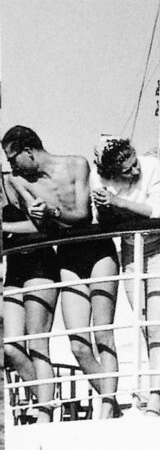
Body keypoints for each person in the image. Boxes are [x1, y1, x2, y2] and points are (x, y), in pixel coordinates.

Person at [2, 125, 121, 419]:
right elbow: (41, 227)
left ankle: (106, 411)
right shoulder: (21, 182)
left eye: (13, 158)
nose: (11, 165)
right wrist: (43, 219)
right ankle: (113, 406)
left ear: (28, 151)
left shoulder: (76, 164)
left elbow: (82, 214)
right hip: (68, 257)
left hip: (97, 250)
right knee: (79, 346)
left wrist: (52, 213)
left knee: (102, 334)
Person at [91, 136, 160, 417]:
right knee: (144, 327)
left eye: (134, 163)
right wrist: (106, 208)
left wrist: (118, 202)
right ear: (111, 172)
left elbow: (158, 211)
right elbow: (102, 221)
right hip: (133, 253)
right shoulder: (99, 181)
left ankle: (154, 400)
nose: (135, 170)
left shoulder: (151, 166)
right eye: (127, 170)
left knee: (157, 327)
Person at [2, 174, 59, 423]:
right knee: (11, 346)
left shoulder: (14, 183)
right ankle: (47, 399)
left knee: (37, 343)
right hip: (14, 269)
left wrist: (5, 227)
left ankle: (45, 414)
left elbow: (43, 226)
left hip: (40, 265)